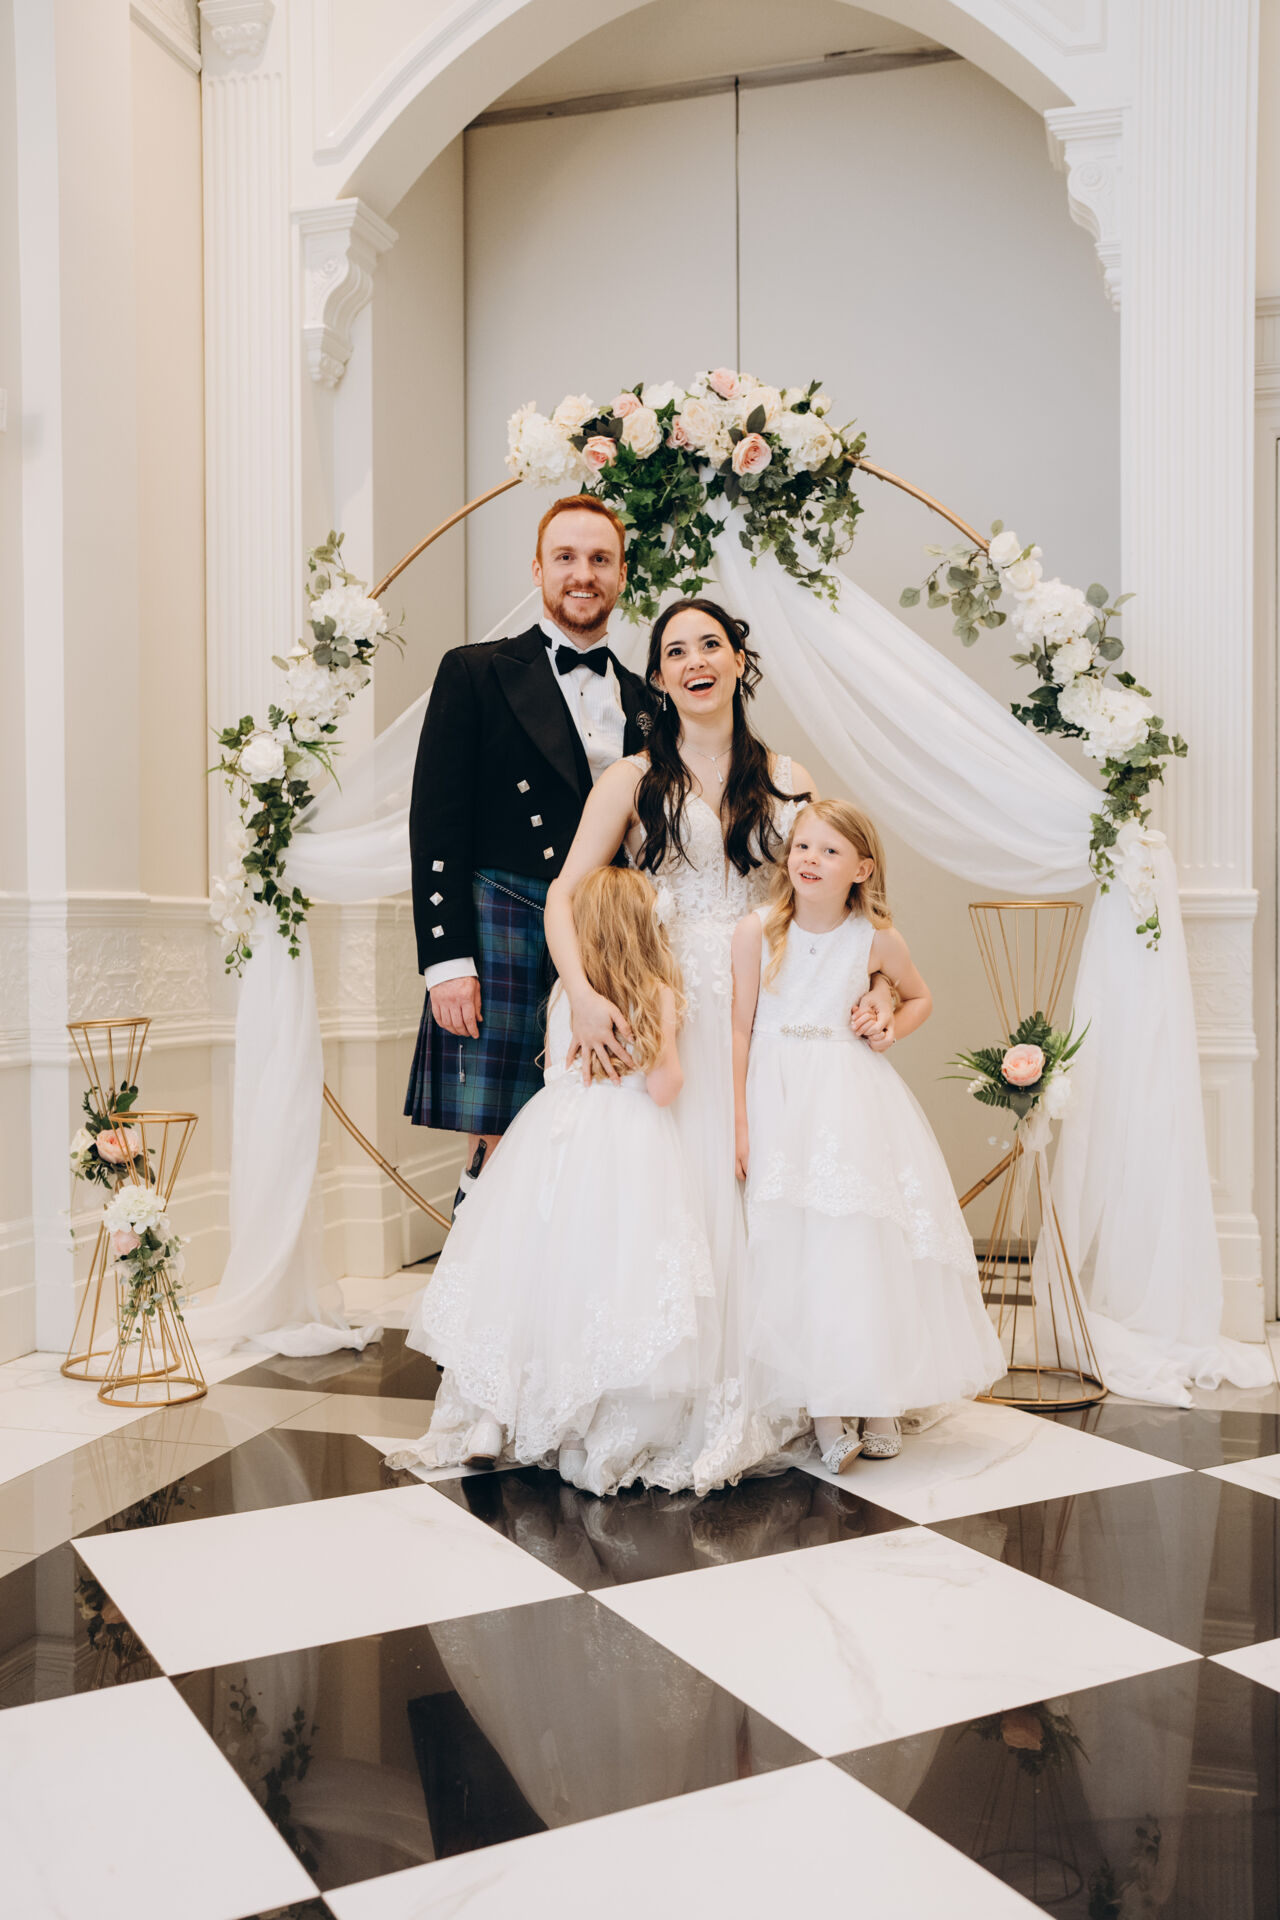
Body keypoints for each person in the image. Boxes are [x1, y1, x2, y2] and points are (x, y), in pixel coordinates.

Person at [544, 600, 896, 1491]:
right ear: (659, 678)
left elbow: (839, 897)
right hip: (664, 995)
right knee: (666, 1192)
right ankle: (666, 1380)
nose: (695, 661)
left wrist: (882, 987)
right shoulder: (631, 779)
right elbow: (563, 897)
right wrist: (583, 996)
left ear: (740, 661)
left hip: (767, 997)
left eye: (711, 644)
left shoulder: (787, 777)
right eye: (675, 651)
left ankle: (803, 1376)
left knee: (772, 1183)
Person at [392, 866, 715, 1494]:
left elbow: (551, 1074)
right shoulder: (657, 992)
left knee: (527, 1274)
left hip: (552, 1136)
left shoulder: (567, 993)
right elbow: (665, 1087)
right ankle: (576, 1423)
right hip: (627, 1146)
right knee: (599, 1280)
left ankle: (492, 1419)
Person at [730, 799, 1005, 1473]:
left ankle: (877, 1395)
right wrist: (738, 1118)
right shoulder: (756, 931)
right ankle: (825, 1409)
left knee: (858, 1246)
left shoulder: (876, 940)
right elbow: (738, 1027)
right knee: (796, 1250)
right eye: (802, 846)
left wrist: (889, 1029)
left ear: (861, 869)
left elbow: (921, 998)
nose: (810, 860)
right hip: (778, 1098)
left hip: (851, 1100)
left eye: (829, 851)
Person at [404, 496, 652, 1210]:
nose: (584, 574)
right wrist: (447, 962)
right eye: (566, 557)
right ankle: (476, 1274)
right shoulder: (475, 671)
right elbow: (436, 821)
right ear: (538, 569)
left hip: (606, 932)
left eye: (600, 559)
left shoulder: (646, 700)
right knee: (496, 1137)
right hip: (503, 922)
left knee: (599, 1120)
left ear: (622, 574)